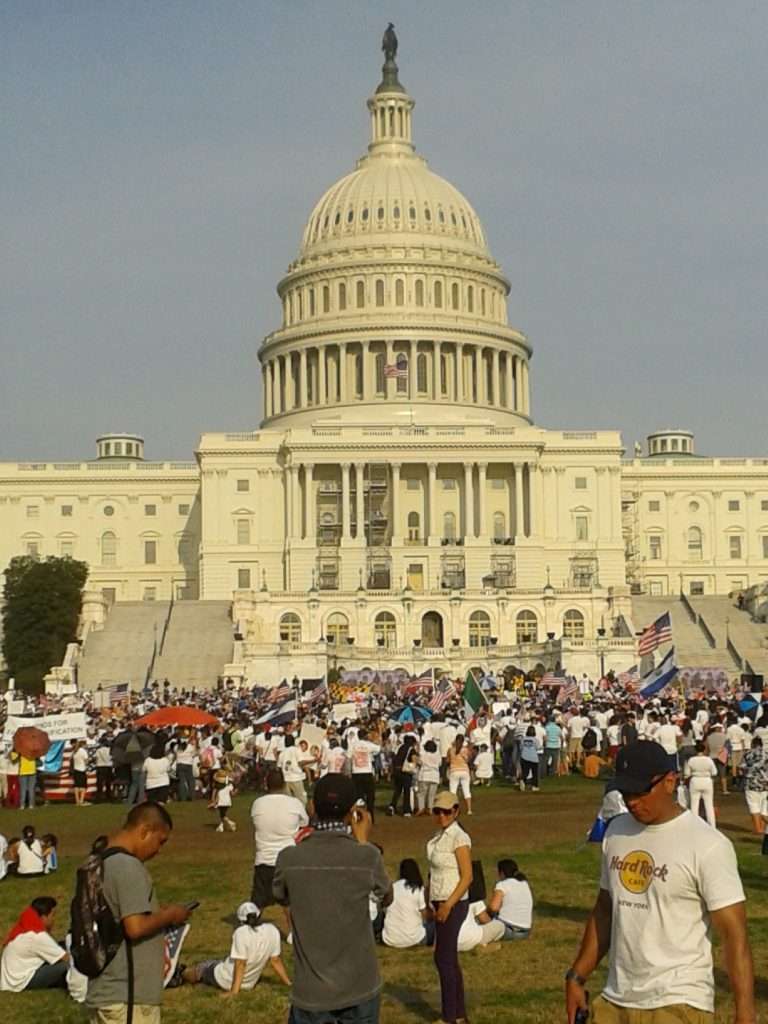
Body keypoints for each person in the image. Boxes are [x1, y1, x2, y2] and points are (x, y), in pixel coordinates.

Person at [565, 740, 756, 1024]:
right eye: (625, 792)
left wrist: (745, 1013)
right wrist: (576, 976)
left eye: (640, 791)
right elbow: (605, 910)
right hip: (615, 998)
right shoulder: (616, 832)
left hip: (679, 1001)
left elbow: (733, 935)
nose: (631, 801)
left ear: (670, 782)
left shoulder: (708, 845)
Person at [273, 773, 392, 1024]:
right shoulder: (366, 857)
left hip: (312, 990)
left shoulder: (289, 859)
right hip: (359, 985)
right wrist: (362, 842)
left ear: (313, 808)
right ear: (353, 813)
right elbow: (387, 896)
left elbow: (279, 894)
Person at [85, 801, 193, 1024]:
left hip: (106, 989)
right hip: (128, 995)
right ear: (145, 831)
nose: (158, 850)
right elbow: (135, 927)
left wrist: (155, 912)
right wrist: (171, 915)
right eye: (160, 841)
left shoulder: (98, 863)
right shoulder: (128, 866)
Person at [426, 790, 473, 1024]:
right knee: (448, 958)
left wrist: (448, 905)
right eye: (438, 811)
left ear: (456, 811)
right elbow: (432, 871)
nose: (442, 815)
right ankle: (459, 1013)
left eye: (447, 811)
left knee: (443, 958)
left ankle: (449, 1016)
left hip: (453, 902)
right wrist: (429, 900)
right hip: (438, 900)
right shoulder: (438, 836)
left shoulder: (459, 837)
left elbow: (467, 877)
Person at [183, 900, 289, 996]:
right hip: (249, 983)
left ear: (241, 920)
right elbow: (275, 961)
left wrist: (234, 991)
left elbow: (240, 963)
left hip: (225, 979)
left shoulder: (241, 933)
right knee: (217, 962)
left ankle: (180, 974)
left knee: (202, 968)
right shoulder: (272, 930)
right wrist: (288, 983)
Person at [250, 769, 308, 908]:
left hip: (264, 860)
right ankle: (293, 930)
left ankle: (250, 927)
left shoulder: (257, 804)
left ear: (266, 784)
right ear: (284, 784)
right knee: (290, 902)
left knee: (257, 903)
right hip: (288, 860)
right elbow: (304, 823)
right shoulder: (294, 803)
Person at [0, 896, 68, 991]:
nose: (54, 919)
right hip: (20, 981)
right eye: (53, 915)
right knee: (68, 965)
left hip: (11, 977)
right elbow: (66, 958)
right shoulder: (37, 936)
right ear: (44, 917)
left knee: (62, 946)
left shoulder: (26, 926)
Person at [382, 858, 434, 949]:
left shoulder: (392, 887)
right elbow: (425, 915)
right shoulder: (418, 889)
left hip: (389, 938)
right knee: (434, 927)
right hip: (414, 938)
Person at [456, 861, 504, 952]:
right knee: (500, 926)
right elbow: (484, 919)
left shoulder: (445, 895)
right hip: (470, 940)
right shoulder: (474, 897)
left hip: (449, 943)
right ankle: (484, 945)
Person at [486, 859, 533, 940]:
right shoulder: (524, 883)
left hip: (507, 930)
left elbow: (494, 907)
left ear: (502, 873)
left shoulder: (502, 884)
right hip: (525, 933)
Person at [683, 741, 718, 827]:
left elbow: (687, 773)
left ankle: (694, 825)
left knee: (694, 805)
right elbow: (714, 772)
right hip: (707, 781)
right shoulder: (708, 759)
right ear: (704, 749)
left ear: (695, 750)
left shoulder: (691, 760)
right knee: (709, 805)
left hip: (695, 781)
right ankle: (712, 825)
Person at [349, 728, 381, 821]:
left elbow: (348, 756)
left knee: (357, 796)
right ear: (366, 736)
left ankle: (358, 816)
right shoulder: (369, 745)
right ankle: (370, 816)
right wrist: (377, 739)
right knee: (370, 796)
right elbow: (378, 749)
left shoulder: (353, 745)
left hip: (356, 772)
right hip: (367, 772)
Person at [741, 735, 768, 835]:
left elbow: (742, 767)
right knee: (763, 807)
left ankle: (758, 829)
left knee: (754, 806)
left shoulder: (747, 754)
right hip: (765, 784)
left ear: (752, 744)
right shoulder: (766, 754)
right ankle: (762, 827)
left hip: (751, 783)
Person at [278, 735, 308, 805]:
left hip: (285, 778)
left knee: (287, 801)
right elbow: (301, 762)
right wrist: (313, 760)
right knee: (302, 799)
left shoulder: (282, 753)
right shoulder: (297, 750)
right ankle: (301, 813)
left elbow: (279, 767)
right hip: (296, 778)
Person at [447, 734, 473, 815]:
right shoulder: (465, 750)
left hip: (454, 771)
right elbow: (469, 759)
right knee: (466, 791)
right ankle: (469, 810)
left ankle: (453, 810)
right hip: (464, 771)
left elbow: (447, 761)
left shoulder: (450, 750)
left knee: (453, 792)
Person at [416, 738, 441, 814]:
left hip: (424, 775)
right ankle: (430, 808)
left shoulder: (423, 755)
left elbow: (419, 763)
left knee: (421, 793)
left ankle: (421, 808)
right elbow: (439, 764)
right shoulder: (438, 756)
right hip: (434, 776)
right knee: (432, 794)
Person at [519, 726, 540, 791]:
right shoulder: (535, 739)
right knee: (535, 773)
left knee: (525, 772)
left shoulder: (523, 739)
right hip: (533, 758)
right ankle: (535, 786)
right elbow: (537, 747)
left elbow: (521, 747)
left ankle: (522, 780)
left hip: (524, 756)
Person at [72, 740, 89, 806]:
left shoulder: (75, 751)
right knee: (83, 786)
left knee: (76, 786)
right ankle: (81, 801)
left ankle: (77, 801)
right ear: (83, 745)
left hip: (76, 770)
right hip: (82, 770)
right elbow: (86, 761)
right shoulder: (83, 751)